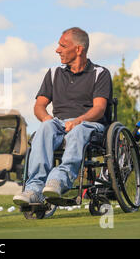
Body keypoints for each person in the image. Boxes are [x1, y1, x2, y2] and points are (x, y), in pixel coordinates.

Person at [13, 27, 112, 207]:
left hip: (90, 124)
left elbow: (99, 108)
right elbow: (39, 106)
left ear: (78, 49)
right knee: (45, 127)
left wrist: (78, 121)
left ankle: (59, 180)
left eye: (62, 45)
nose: (57, 49)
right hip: (59, 124)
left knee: (78, 131)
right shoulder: (53, 73)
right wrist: (46, 118)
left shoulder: (100, 73)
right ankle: (34, 188)